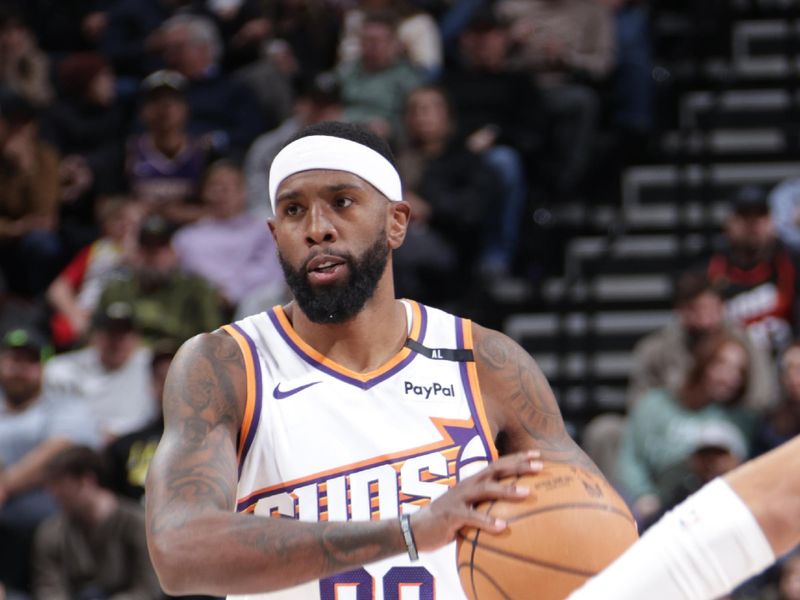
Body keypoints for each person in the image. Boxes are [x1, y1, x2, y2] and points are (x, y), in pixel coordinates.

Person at [145, 121, 601, 598]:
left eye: (342, 202)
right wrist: (406, 533)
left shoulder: (483, 361)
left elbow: (591, 523)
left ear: (396, 222)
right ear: (275, 233)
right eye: (294, 210)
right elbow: (178, 552)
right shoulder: (225, 365)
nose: (317, 229)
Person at [568, 433, 800, 600]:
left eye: (720, 457)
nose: (713, 465)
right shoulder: (676, 498)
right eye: (706, 458)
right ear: (693, 461)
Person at [617, 331, 759, 526]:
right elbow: (631, 458)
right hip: (658, 507)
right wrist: (644, 496)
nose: (731, 378)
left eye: (739, 371)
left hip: (719, 513)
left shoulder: (743, 419)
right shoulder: (654, 405)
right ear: (703, 363)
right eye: (722, 366)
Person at [0, 326, 99, 595]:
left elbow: (60, 450)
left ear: (43, 368)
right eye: (13, 360)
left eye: (30, 361)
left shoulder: (63, 404)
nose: (19, 369)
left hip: (49, 520)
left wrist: (6, 483)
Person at [628, 270, 776, 411]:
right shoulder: (656, 349)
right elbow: (640, 403)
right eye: (696, 309)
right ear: (680, 310)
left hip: (732, 423)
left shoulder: (745, 343)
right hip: (672, 427)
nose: (705, 320)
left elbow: (763, 396)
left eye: (711, 308)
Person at [31, 446, 163, 600]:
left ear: (86, 481)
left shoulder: (138, 524)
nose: (54, 493)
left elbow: (148, 588)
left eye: (60, 484)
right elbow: (48, 587)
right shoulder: (51, 532)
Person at [172, 160, 285, 318]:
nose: (219, 192)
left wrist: (231, 292)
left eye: (226, 187)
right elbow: (186, 276)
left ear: (243, 192)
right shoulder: (186, 237)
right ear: (203, 192)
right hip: (200, 310)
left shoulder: (264, 229)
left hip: (256, 308)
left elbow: (267, 271)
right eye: (213, 186)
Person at [96, 213, 225, 346]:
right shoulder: (116, 290)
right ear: (137, 252)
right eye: (147, 247)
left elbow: (212, 341)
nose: (153, 255)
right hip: (127, 363)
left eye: (160, 247)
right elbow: (95, 336)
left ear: (173, 252)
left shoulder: (196, 290)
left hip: (177, 361)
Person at [43, 301, 158, 444]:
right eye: (110, 333)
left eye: (123, 334)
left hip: (139, 444)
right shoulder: (68, 367)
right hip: (86, 446)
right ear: (95, 336)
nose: (116, 342)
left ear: (136, 338)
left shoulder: (150, 364)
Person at [707, 185, 799, 358]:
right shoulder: (710, 266)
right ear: (729, 223)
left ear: (772, 221)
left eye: (760, 216)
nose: (752, 225)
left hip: (785, 365)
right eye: (744, 217)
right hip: (731, 368)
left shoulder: (793, 262)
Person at [47, 197, 142, 349]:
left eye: (133, 220)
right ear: (106, 224)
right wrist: (76, 317)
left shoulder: (150, 254)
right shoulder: (95, 251)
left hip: (128, 319)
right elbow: (58, 290)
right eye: (119, 218)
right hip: (89, 315)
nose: (126, 225)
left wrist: (132, 252)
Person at [127, 69, 210, 225]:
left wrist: (182, 214)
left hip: (194, 235)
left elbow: (221, 211)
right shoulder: (127, 151)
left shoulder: (206, 152)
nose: (165, 108)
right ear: (142, 111)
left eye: (173, 100)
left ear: (187, 108)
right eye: (156, 101)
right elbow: (109, 207)